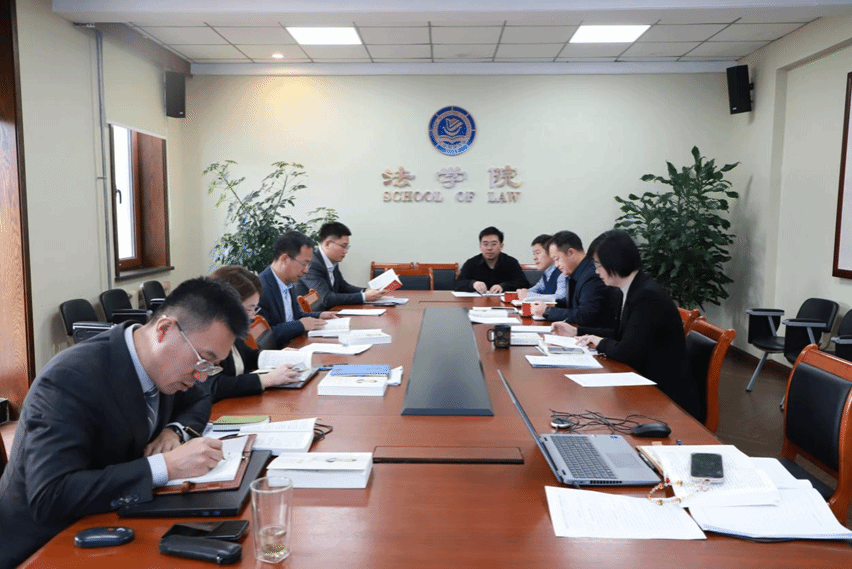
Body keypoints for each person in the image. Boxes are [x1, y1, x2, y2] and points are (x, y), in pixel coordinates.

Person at [0, 277, 248, 568]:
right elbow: (51, 496)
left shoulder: (166, 366)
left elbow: (201, 396)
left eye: (211, 365)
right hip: (44, 546)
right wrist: (166, 466)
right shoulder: (70, 379)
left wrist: (174, 431)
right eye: (202, 359)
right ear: (164, 329)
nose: (202, 375)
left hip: (114, 520)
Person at [552, 230, 699, 418]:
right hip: (644, 380)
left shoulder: (647, 296)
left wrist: (599, 342)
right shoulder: (631, 288)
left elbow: (626, 350)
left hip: (665, 396)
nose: (596, 271)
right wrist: (577, 332)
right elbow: (622, 334)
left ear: (614, 262)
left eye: (598, 265)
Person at [207, 266, 301, 401]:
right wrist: (265, 379)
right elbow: (212, 385)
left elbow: (248, 356)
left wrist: (278, 356)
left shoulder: (230, 330)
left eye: (254, 309)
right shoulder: (203, 337)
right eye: (248, 310)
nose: (252, 317)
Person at [258, 231, 337, 347]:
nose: (306, 270)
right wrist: (300, 325)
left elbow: (294, 317)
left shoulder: (288, 282)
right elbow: (266, 337)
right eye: (304, 264)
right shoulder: (260, 288)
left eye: (308, 265)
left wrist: (318, 315)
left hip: (295, 344)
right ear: (285, 259)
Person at [294, 221, 386, 310]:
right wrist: (364, 297)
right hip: (315, 315)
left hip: (329, 311)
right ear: (327, 244)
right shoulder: (312, 263)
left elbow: (343, 286)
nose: (345, 251)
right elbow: (326, 298)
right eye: (343, 246)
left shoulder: (331, 260)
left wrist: (365, 291)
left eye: (347, 247)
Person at [531, 230, 614, 328]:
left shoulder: (592, 275)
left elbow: (585, 315)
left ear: (571, 252)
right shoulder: (577, 272)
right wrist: (550, 306)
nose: (556, 265)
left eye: (557, 259)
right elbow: (572, 305)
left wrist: (548, 311)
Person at [455, 226, 528, 293]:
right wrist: (473, 284)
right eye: (485, 244)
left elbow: (524, 284)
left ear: (501, 246)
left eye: (494, 244)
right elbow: (458, 284)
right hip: (477, 301)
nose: (489, 248)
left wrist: (503, 286)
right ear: (480, 246)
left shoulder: (511, 262)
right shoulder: (471, 263)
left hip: (503, 301)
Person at [516, 233, 566, 301]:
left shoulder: (562, 273)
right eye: (534, 254)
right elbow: (537, 288)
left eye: (538, 253)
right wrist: (523, 292)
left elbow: (560, 297)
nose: (534, 258)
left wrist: (529, 295)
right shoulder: (547, 273)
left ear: (551, 252)